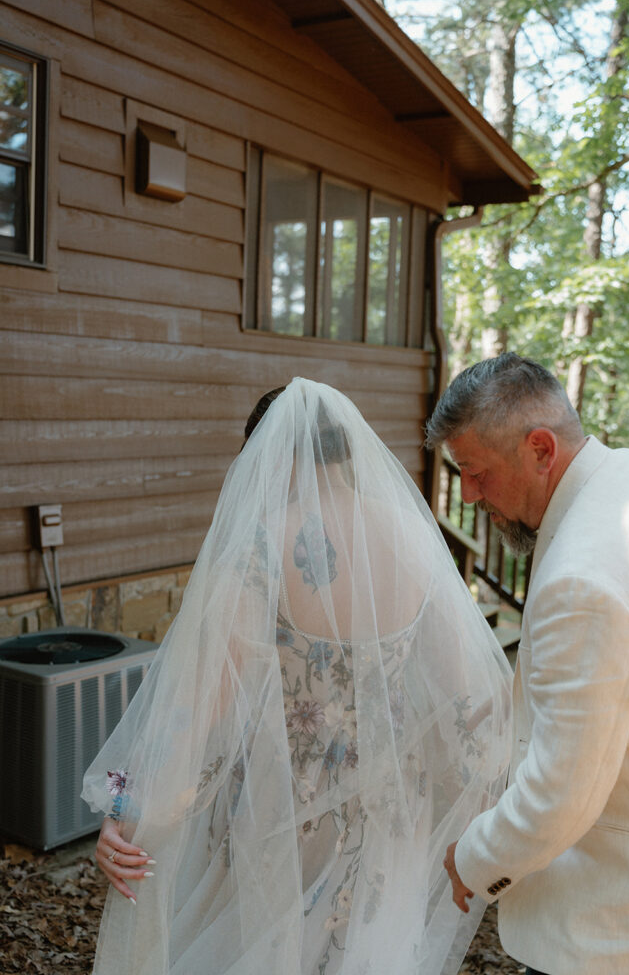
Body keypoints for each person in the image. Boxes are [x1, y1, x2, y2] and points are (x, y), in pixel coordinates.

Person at [83, 377, 512, 975]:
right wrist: (480, 817)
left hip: (284, 800)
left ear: (267, 456)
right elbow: (466, 690)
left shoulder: (263, 544)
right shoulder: (414, 536)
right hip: (392, 804)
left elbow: (198, 699)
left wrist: (128, 808)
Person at [426, 353, 629, 975]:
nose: (468, 494)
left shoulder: (584, 579)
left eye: (475, 471)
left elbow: (561, 793)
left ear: (540, 448)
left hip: (613, 926)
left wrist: (473, 860)